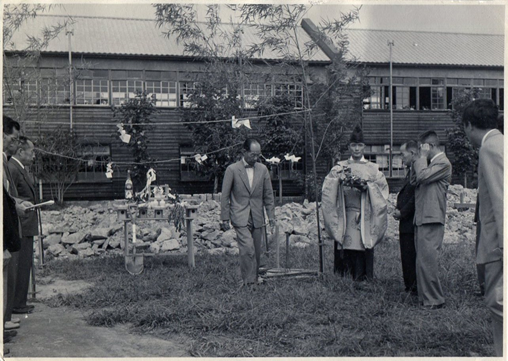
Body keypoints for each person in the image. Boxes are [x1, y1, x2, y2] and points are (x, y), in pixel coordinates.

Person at [462, 99, 503, 357]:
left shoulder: (490, 148)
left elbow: (501, 199)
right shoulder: (499, 142)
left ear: (468, 125)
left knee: (497, 301)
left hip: (499, 243)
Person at [322, 125, 388, 281]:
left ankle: (363, 278)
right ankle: (343, 277)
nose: (356, 149)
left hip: (364, 213)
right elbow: (327, 189)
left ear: (364, 147)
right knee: (344, 242)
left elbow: (382, 192)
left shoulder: (373, 170)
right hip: (344, 213)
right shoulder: (340, 167)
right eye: (353, 145)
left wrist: (368, 187)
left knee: (363, 244)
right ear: (349, 146)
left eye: (359, 145)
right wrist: (338, 181)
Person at [220, 138, 275, 287]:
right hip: (240, 215)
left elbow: (268, 195)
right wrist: (224, 217)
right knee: (247, 248)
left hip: (257, 215)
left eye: (258, 155)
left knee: (257, 251)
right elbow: (225, 195)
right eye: (252, 155)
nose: (255, 158)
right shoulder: (232, 170)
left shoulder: (263, 169)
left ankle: (254, 277)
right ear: (244, 152)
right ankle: (249, 282)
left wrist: (271, 216)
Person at [410, 130, 451, 309]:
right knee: (422, 261)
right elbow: (413, 180)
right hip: (422, 217)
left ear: (431, 146)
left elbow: (422, 177)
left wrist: (421, 158)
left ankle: (435, 300)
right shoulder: (427, 163)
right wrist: (420, 160)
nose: (420, 152)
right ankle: (426, 298)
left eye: (422, 148)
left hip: (431, 218)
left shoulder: (443, 163)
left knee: (428, 262)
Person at [2, 116, 32, 342]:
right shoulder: (8, 165)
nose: (14, 143)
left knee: (13, 271)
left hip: (13, 221)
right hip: (9, 225)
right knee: (10, 271)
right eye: (12, 139)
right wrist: (16, 204)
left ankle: (5, 318)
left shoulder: (6, 161)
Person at [8, 136, 38, 315]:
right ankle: (17, 303)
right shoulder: (13, 169)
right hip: (21, 222)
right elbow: (10, 196)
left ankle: (20, 301)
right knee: (19, 264)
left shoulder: (21, 169)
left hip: (26, 223)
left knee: (25, 263)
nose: (33, 155)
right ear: (21, 152)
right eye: (31, 151)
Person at [393, 141, 418, 294]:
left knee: (410, 254)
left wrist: (403, 212)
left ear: (413, 154)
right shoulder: (411, 171)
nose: (401, 158)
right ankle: (409, 285)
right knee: (406, 254)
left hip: (410, 220)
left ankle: (413, 288)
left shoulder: (416, 172)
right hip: (405, 220)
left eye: (403, 154)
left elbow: (415, 196)